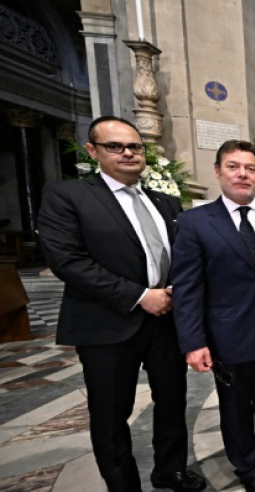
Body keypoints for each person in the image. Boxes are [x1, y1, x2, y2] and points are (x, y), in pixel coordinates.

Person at [37, 116, 206, 492]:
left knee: (172, 401)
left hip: (166, 320)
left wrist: (178, 289)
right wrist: (140, 296)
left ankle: (170, 469)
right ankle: (123, 485)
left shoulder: (166, 201)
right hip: (107, 323)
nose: (128, 153)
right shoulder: (68, 196)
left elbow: (184, 255)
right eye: (115, 146)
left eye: (135, 146)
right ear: (93, 151)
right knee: (111, 414)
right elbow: (68, 261)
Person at [171, 140, 255, 492]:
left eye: (250, 168)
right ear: (218, 171)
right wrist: (193, 341)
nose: (242, 174)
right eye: (233, 167)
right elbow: (187, 286)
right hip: (227, 334)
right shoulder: (195, 222)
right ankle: (248, 467)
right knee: (235, 408)